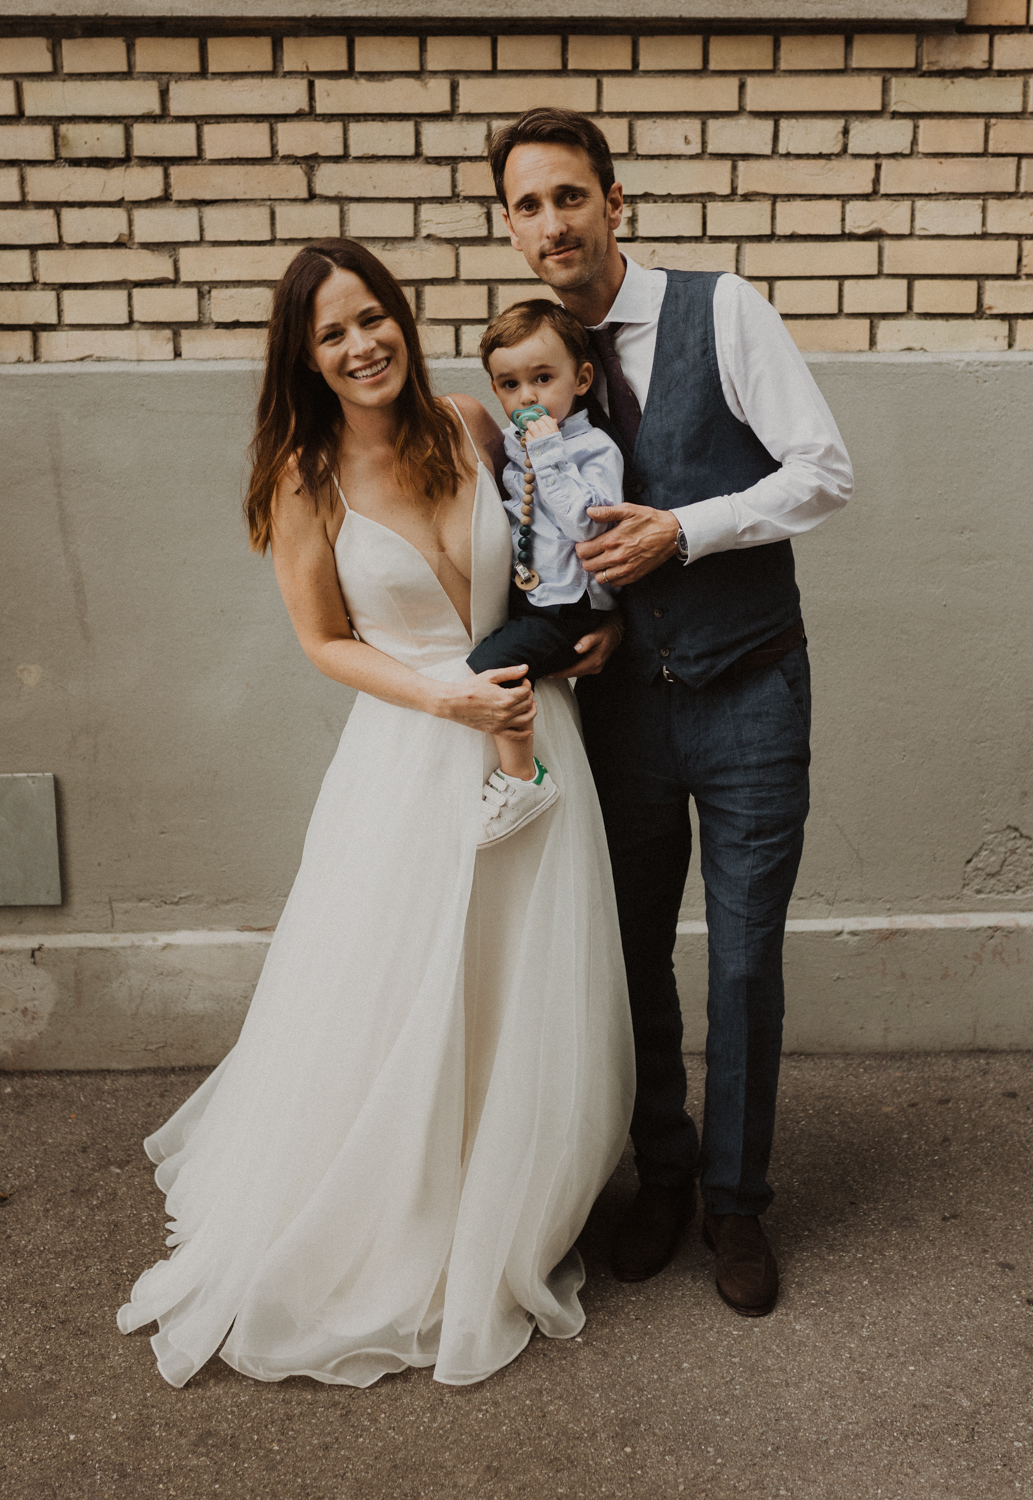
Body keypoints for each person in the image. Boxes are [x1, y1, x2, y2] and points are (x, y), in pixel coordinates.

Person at [116, 239, 635, 1387]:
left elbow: (550, 546)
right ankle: (402, 1203)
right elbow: (323, 642)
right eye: (332, 333)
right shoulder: (302, 480)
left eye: (372, 318)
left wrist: (593, 629)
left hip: (531, 732)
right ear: (304, 358)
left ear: (401, 318)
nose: (361, 345)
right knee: (402, 988)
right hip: (412, 752)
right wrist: (446, 696)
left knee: (518, 977)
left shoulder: (470, 423)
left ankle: (512, 1188)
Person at [488, 108, 853, 1315]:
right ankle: (663, 1171)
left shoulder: (723, 309)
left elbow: (822, 471)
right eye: (528, 205)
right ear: (511, 228)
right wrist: (575, 629)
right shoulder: (527, 360)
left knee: (742, 962)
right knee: (632, 952)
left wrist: (683, 532)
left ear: (614, 200)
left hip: (750, 688)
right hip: (623, 715)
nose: (553, 222)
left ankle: (734, 1205)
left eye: (569, 195)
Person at [466, 299, 625, 846]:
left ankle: (523, 777)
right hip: (529, 594)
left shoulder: (593, 448)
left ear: (581, 379)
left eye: (542, 378)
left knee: (489, 667)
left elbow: (587, 524)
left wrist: (549, 452)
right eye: (509, 385)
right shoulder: (515, 445)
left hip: (568, 606)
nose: (527, 397)